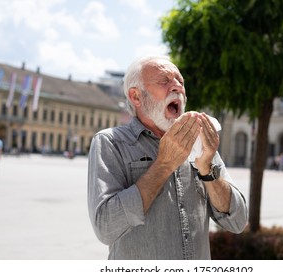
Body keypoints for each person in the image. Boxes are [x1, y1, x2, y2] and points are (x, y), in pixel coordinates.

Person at [87, 55, 248, 260]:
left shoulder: (199, 142)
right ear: (136, 97)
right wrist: (164, 164)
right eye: (164, 81)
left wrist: (207, 169)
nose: (177, 87)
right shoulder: (110, 142)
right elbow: (106, 227)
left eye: (180, 82)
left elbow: (237, 221)